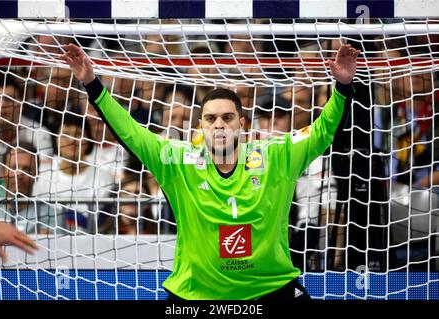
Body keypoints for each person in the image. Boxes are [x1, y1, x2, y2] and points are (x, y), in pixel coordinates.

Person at [62, 42, 359, 300]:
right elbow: (131, 132)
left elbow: (322, 131)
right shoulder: (178, 159)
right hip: (196, 294)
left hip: (270, 288)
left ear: (241, 124)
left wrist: (343, 87)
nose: (219, 124)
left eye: (228, 117)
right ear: (201, 126)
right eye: (211, 118)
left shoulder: (275, 154)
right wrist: (92, 84)